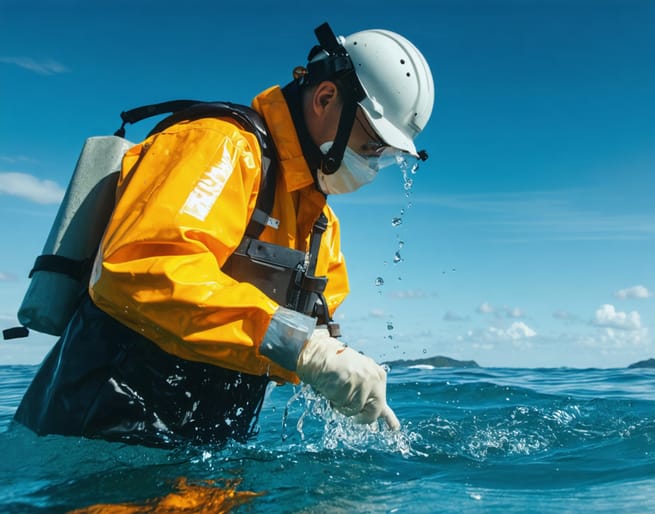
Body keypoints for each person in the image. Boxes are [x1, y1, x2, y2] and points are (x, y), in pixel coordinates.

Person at [12, 23, 434, 448]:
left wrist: (336, 370)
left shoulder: (322, 225)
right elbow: (141, 266)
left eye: (388, 156)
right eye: (374, 147)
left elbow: (306, 340)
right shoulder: (219, 145)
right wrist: (308, 350)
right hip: (103, 431)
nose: (374, 165)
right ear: (326, 98)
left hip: (204, 450)